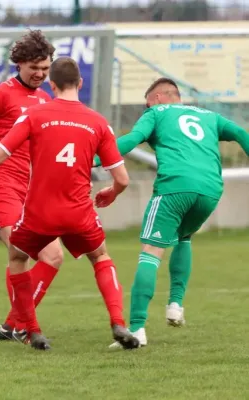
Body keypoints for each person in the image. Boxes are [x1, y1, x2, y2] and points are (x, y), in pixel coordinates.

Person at [0, 56, 140, 351]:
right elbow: (122, 178)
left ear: (52, 84)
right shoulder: (98, 122)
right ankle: (118, 322)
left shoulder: (34, 114)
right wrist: (112, 193)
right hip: (79, 211)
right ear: (80, 84)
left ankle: (32, 330)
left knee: (17, 257)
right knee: (100, 257)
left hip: (39, 213)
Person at [95, 78, 249, 348]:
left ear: (156, 98)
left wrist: (93, 159)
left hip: (175, 187)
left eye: (146, 104)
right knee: (184, 236)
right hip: (210, 191)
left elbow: (131, 140)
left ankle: (137, 328)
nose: (146, 110)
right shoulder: (209, 116)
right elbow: (239, 132)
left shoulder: (156, 113)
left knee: (151, 251)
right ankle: (175, 305)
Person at [0, 29, 64, 342]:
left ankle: (13, 324)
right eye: (34, 68)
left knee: (54, 256)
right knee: (20, 250)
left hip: (31, 188)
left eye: (45, 68)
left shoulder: (45, 100)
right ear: (19, 64)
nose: (40, 74)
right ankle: (25, 326)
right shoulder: (0, 94)